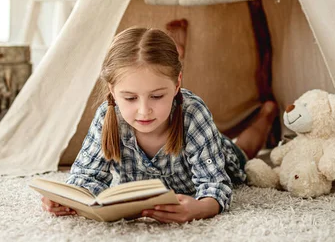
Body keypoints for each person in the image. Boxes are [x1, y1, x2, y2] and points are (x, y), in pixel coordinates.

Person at [41, 27, 278, 223]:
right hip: (184, 155)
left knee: (245, 152)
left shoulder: (193, 113)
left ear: (177, 85)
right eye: (130, 98)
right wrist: (66, 199)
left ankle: (266, 114)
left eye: (156, 96)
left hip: (220, 152)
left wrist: (200, 208)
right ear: (112, 91)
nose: (144, 111)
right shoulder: (108, 116)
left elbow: (215, 184)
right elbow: (86, 176)